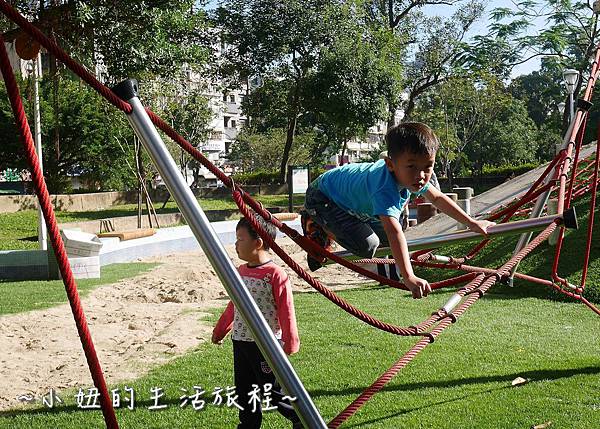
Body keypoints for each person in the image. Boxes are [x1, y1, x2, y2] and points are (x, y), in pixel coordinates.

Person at [301, 122, 495, 299]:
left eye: (428, 166)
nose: (421, 175)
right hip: (323, 197)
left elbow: (438, 198)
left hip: (350, 201)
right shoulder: (384, 188)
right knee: (367, 246)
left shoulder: (411, 176)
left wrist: (472, 223)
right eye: (411, 166)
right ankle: (316, 225)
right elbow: (394, 232)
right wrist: (408, 276)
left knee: (386, 243)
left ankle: (333, 226)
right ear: (391, 164)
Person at [212, 216, 303, 429]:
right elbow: (234, 306)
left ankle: (299, 418)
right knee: (244, 391)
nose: (235, 244)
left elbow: (286, 311)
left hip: (266, 345)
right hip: (241, 342)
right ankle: (248, 425)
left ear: (258, 242)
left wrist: (290, 343)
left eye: (240, 239)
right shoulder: (240, 273)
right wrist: (220, 331)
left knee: (272, 391)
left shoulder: (275, 274)